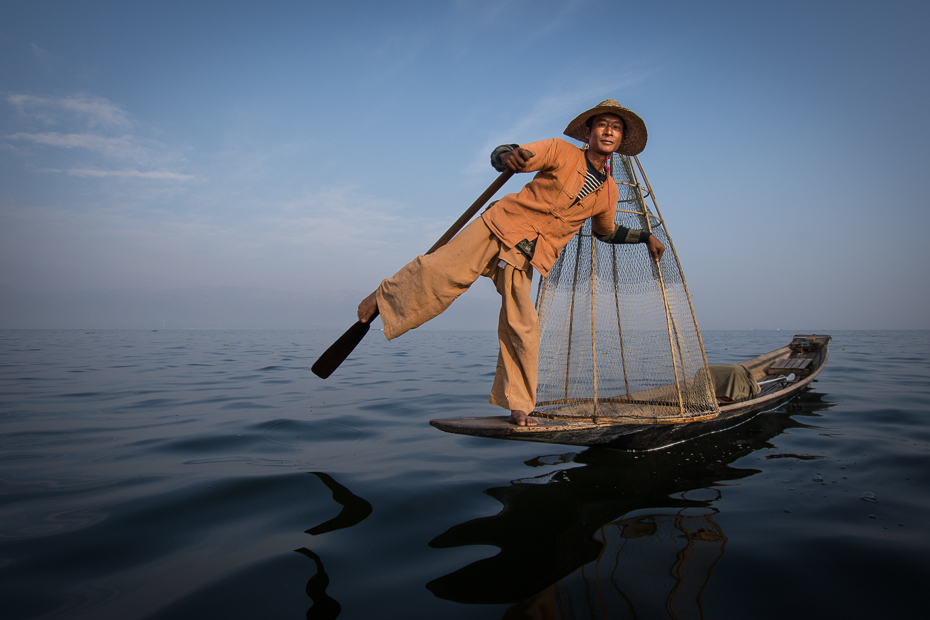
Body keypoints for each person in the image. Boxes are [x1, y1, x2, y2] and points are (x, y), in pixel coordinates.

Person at [357, 99, 665, 426]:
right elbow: (506, 153)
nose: (608, 131)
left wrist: (645, 237)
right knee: (442, 272)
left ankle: (519, 403)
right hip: (498, 225)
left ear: (619, 141)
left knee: (524, 328)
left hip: (526, 255)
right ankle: (384, 297)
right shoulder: (560, 151)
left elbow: (605, 231)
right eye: (602, 124)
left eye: (615, 128)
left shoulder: (608, 191)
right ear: (588, 132)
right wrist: (508, 156)